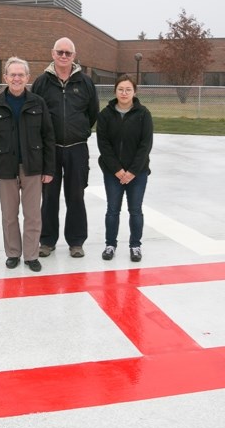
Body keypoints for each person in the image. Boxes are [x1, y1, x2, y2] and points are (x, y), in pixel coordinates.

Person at [0, 57, 55, 272]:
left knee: (33, 215)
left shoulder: (37, 102)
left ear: (27, 78)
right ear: (5, 77)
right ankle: (13, 253)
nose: (16, 78)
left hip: (33, 167)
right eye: (12, 75)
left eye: (20, 75)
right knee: (9, 215)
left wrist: (49, 169)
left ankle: (31, 255)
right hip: (5, 168)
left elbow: (48, 137)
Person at [30, 37, 99, 259]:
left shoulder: (85, 82)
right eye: (60, 52)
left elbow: (92, 113)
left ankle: (76, 242)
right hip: (50, 150)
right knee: (49, 196)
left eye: (68, 53)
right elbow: (35, 115)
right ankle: (47, 241)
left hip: (77, 149)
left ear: (73, 56)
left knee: (76, 196)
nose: (63, 56)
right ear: (52, 53)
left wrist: (78, 131)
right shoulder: (42, 82)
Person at [96, 74, 153, 262]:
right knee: (112, 209)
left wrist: (132, 172)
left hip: (138, 173)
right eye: (121, 89)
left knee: (135, 210)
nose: (124, 93)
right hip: (113, 173)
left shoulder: (143, 114)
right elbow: (103, 145)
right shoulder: (105, 115)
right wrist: (117, 170)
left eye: (128, 89)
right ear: (115, 91)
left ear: (134, 91)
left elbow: (145, 145)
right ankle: (110, 244)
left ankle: (135, 246)